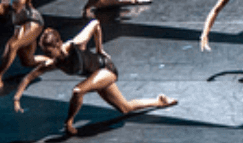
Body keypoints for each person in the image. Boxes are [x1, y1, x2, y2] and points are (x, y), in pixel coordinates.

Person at [13, 21, 177, 135]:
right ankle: (158, 101)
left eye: (49, 52)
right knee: (125, 108)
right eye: (45, 53)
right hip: (96, 76)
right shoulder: (55, 63)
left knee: (78, 91)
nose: (47, 56)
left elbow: (95, 23)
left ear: (58, 45)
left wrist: (100, 49)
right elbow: (29, 76)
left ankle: (68, 122)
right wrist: (17, 97)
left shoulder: (76, 44)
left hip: (106, 69)